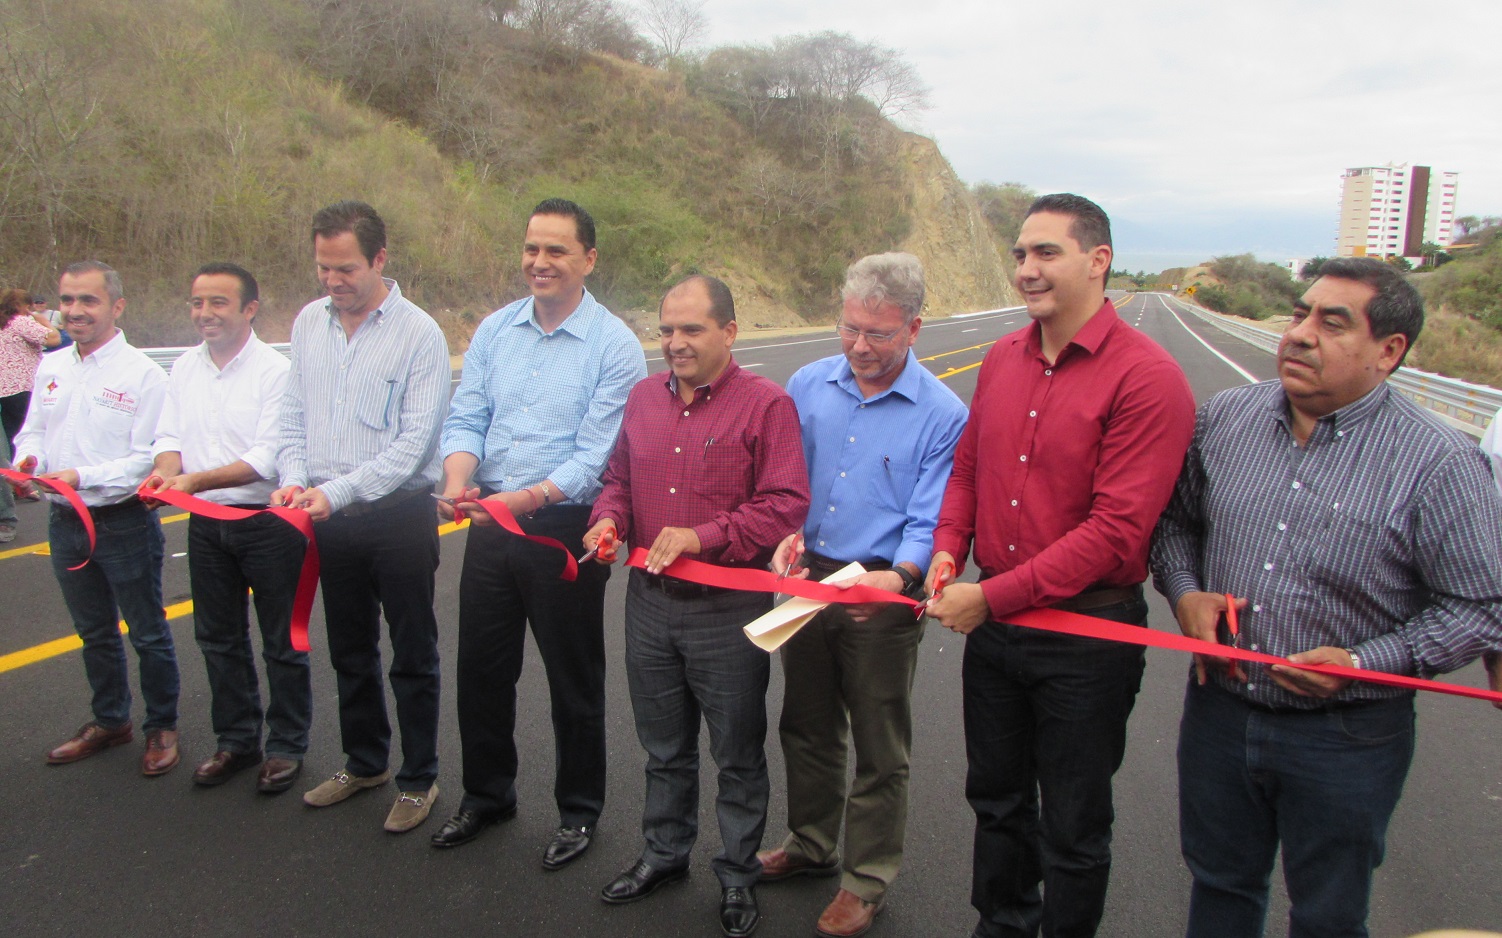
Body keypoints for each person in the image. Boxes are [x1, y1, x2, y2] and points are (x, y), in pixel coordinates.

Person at [1151, 256, 1502, 938]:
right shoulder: (1227, 417)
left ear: (1389, 350)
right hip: (1221, 710)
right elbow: (1177, 524)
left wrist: (1364, 661)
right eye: (1301, 313)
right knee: (1221, 886)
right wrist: (1187, 593)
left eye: (1332, 322)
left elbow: (1482, 608)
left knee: (1328, 913)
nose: (1300, 334)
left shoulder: (1442, 463)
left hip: (1347, 736)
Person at [924, 193, 1196, 938]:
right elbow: (969, 469)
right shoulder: (1005, 358)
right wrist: (950, 545)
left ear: (1097, 260)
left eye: (1045, 252)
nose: (1026, 269)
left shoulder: (1146, 377)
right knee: (998, 800)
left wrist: (994, 597)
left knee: (1074, 819)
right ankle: (1002, 924)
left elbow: (1117, 532)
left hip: (1087, 631)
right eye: (1019, 254)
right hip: (999, 627)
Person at [588, 275, 810, 938]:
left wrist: (702, 536)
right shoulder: (641, 401)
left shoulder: (765, 406)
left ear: (730, 332)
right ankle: (664, 854)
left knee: (737, 752)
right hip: (649, 606)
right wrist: (608, 521)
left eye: (691, 330)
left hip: (727, 610)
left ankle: (738, 874)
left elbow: (783, 504)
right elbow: (618, 482)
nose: (675, 344)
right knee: (663, 748)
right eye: (666, 331)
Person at [431, 198, 647, 864]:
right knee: (482, 670)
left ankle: (579, 812)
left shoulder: (614, 346)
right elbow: (467, 415)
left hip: (564, 527)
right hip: (492, 519)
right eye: (532, 248)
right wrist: (459, 476)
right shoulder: (497, 329)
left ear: (588, 259)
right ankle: (488, 796)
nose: (540, 262)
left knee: (572, 677)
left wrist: (522, 500)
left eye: (556, 250)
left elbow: (596, 457)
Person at [758, 252, 967, 938]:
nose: (859, 347)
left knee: (880, 743)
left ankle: (866, 879)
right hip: (811, 578)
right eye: (849, 329)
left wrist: (902, 575)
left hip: (882, 593)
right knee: (806, 722)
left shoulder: (942, 413)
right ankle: (812, 843)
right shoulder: (808, 383)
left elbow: (930, 513)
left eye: (878, 334)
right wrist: (788, 533)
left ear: (913, 328)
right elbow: (788, 478)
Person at [270, 201, 450, 833]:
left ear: (379, 259)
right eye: (323, 268)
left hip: (397, 515)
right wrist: (293, 479)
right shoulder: (307, 325)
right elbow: (293, 415)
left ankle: (419, 777)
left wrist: (339, 491)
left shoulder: (420, 334)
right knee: (348, 647)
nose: (332, 280)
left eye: (345, 268)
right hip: (326, 515)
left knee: (412, 651)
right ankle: (365, 760)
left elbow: (415, 441)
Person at [142, 263, 311, 793]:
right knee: (217, 637)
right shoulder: (185, 368)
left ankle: (286, 745)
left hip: (266, 521)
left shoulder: (275, 372)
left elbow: (267, 456)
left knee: (282, 640)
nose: (204, 314)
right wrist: (166, 474)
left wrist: (194, 481)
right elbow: (167, 434)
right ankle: (237, 740)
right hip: (205, 524)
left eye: (218, 303)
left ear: (249, 309)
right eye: (197, 303)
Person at [13, 261, 180, 775]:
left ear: (116, 306)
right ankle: (111, 720)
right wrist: (30, 463)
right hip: (64, 521)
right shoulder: (53, 366)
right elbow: (33, 431)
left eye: (88, 301)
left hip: (122, 520)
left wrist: (80, 475)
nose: (75, 311)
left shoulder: (144, 375)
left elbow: (146, 458)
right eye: (67, 300)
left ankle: (162, 727)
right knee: (95, 632)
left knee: (147, 632)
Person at [1, 287, 61, 541]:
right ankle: (20, 482)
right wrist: (41, 318)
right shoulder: (21, 321)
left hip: (3, 391)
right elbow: (54, 339)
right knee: (23, 440)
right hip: (20, 389)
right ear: (23, 306)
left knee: (6, 447)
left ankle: (14, 487)